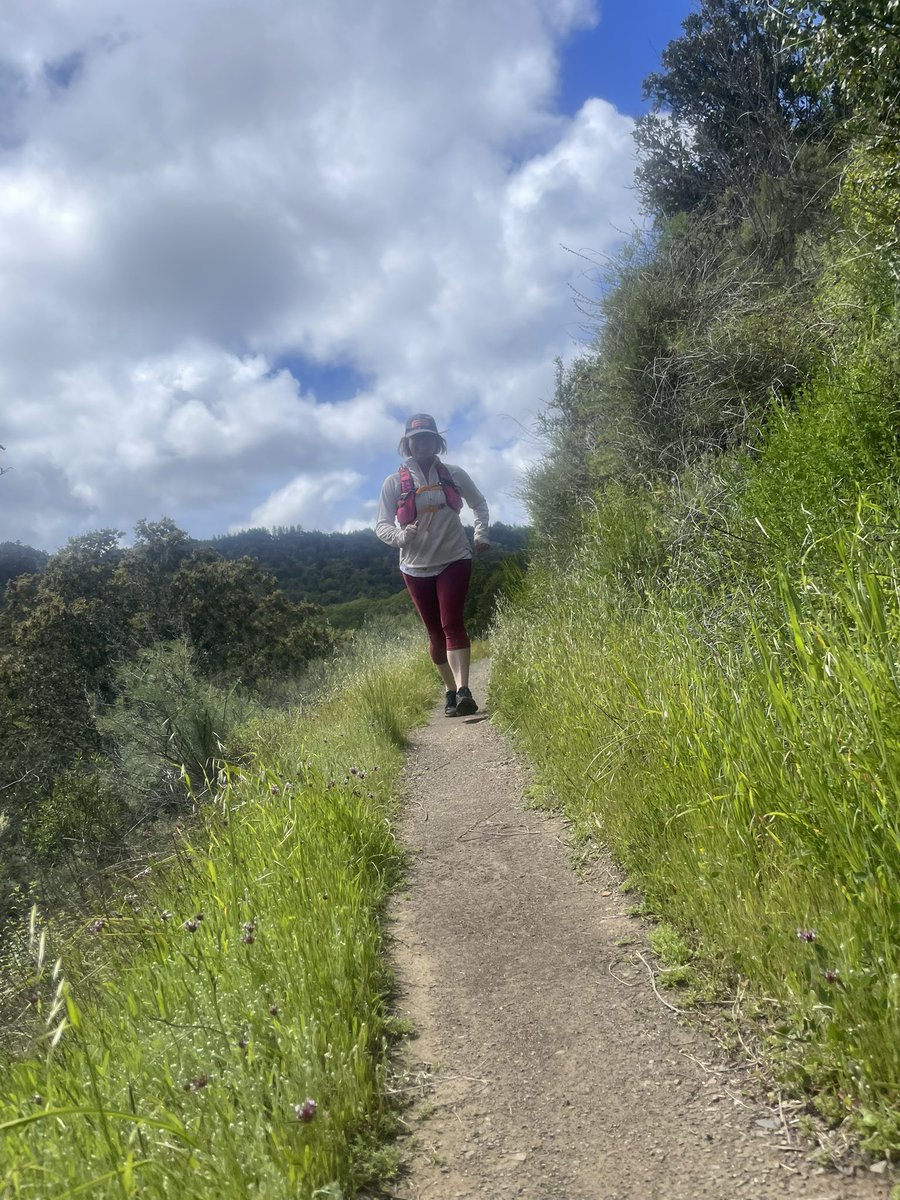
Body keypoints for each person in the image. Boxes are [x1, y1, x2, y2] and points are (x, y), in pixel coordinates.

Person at [376, 413, 490, 717]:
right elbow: (382, 525)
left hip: (454, 556)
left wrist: (480, 533)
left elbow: (479, 504)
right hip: (415, 566)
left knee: (451, 622)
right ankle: (450, 691)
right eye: (416, 439)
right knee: (435, 634)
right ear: (407, 445)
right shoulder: (393, 483)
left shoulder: (453, 474)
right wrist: (401, 537)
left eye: (428, 437)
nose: (422, 443)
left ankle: (464, 689)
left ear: (437, 442)